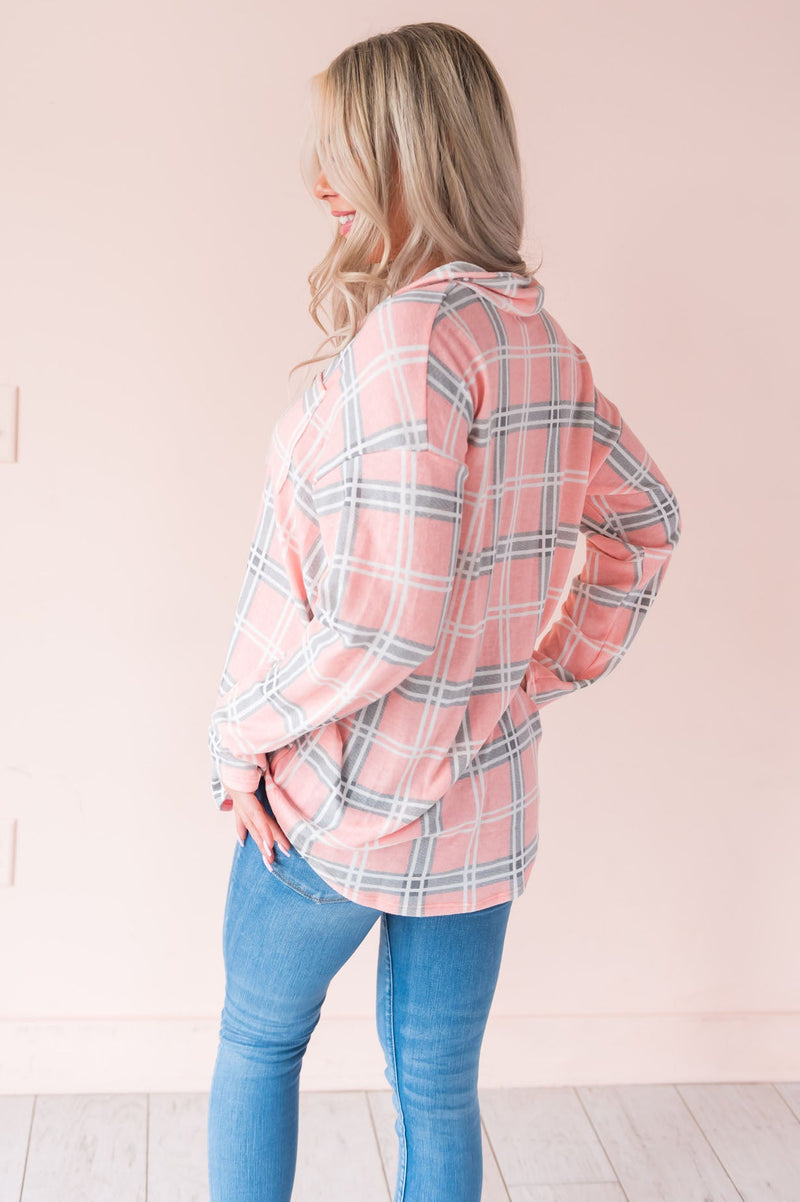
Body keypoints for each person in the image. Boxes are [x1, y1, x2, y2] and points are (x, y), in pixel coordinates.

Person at [205, 21, 682, 1202]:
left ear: (414, 157)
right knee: (434, 1087)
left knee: (257, 1042)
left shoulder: (408, 340)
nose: (320, 182)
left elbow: (383, 621)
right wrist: (532, 674)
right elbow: (646, 519)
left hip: (340, 794)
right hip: (482, 801)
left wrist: (241, 730)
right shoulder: (539, 341)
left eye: (345, 153)